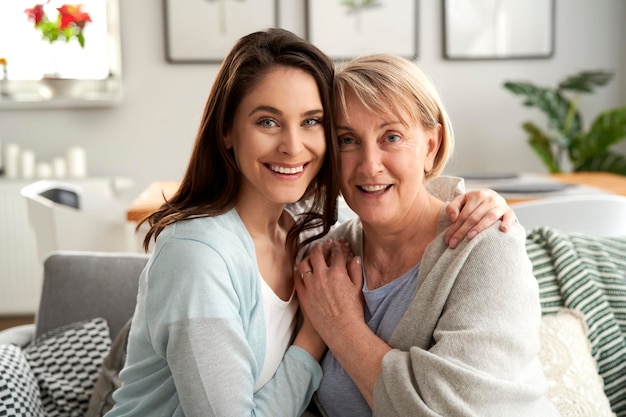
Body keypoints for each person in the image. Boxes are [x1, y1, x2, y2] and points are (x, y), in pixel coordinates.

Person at [106, 29, 514, 417]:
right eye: (267, 121)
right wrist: (319, 331)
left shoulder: (309, 238)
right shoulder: (200, 255)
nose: (292, 146)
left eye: (311, 122)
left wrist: (479, 202)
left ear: (432, 145)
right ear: (227, 130)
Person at [294, 54, 560, 417]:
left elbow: (456, 412)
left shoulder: (486, 244)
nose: (370, 164)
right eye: (346, 140)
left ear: (431, 145)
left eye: (391, 136)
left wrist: (341, 328)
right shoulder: (324, 262)